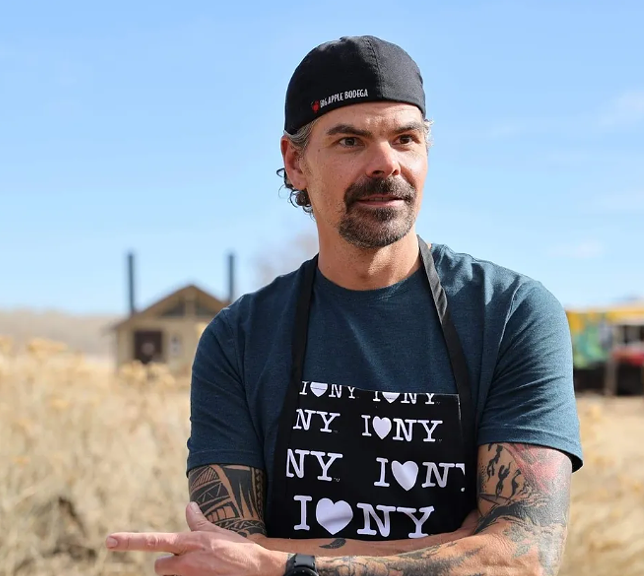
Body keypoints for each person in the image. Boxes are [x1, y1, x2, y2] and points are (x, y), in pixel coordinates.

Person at [106, 34, 584, 576]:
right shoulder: (238, 339)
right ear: (295, 162)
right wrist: (448, 548)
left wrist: (281, 564)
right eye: (350, 141)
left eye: (405, 139)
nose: (386, 164)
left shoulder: (510, 314)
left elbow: (522, 558)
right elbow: (226, 560)